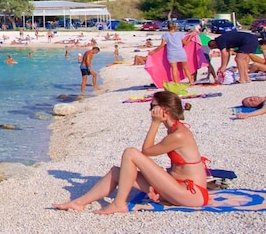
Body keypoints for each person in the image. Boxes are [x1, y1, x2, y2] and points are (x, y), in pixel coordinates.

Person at [53, 90, 209, 214]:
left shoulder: (179, 135)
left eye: (152, 106)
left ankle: (119, 203)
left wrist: (154, 124)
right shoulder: (173, 130)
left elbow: (146, 151)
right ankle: (78, 203)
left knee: (131, 153)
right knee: (116, 172)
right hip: (177, 186)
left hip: (192, 194)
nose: (150, 110)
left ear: (164, 110)